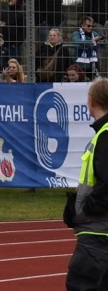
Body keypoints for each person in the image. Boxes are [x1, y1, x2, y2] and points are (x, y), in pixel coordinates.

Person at [65, 78, 108, 289]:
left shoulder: (105, 135)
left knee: (82, 284)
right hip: (99, 228)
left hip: (98, 230)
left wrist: (87, 209)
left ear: (92, 101)